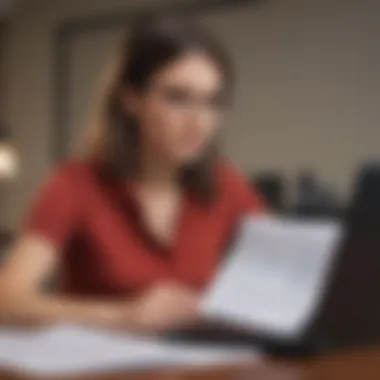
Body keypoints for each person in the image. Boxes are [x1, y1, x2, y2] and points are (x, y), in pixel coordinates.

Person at [0, 18, 265, 334]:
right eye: (177, 98)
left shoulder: (227, 184)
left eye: (212, 102)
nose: (200, 123)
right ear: (131, 100)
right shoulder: (76, 183)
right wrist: (122, 315)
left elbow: (291, 284)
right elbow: (7, 300)